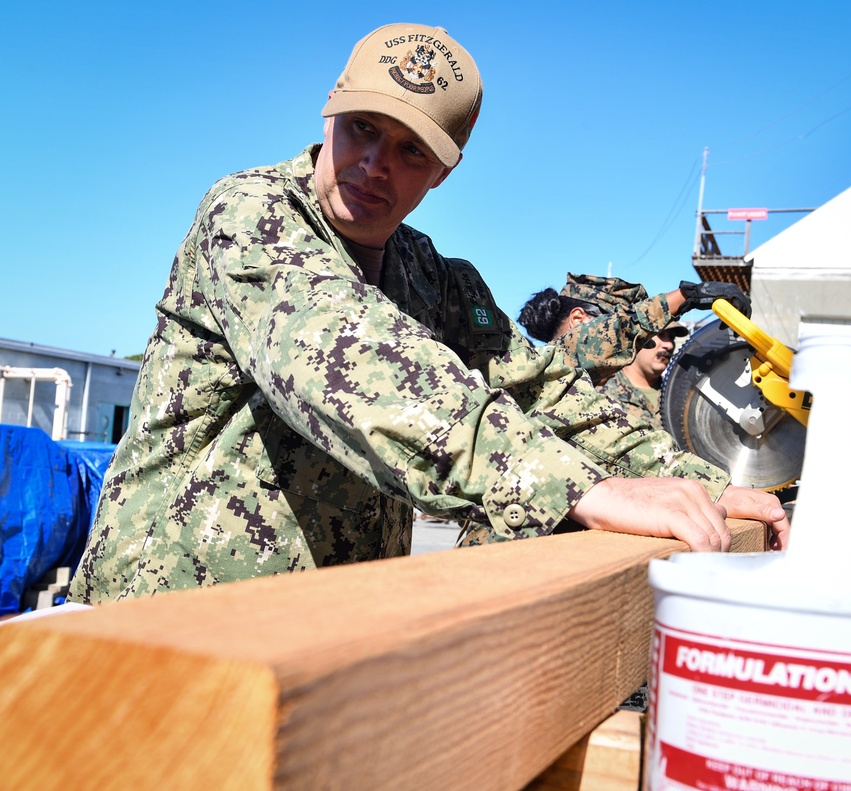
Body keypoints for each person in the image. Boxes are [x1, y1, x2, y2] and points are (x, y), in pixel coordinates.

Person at [68, 22, 788, 605]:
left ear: (444, 170)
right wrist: (579, 487)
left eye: (410, 150)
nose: (375, 164)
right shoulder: (252, 216)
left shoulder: (433, 277)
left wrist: (706, 483)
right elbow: (353, 362)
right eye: (362, 129)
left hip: (325, 637)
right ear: (329, 113)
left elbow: (548, 394)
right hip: (162, 625)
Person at [518, 273, 746, 385]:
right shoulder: (544, 373)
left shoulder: (587, 393)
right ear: (578, 319)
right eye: (609, 322)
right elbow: (622, 330)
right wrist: (688, 297)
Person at [598, 321, 689, 426]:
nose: (669, 345)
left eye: (672, 338)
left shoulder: (678, 396)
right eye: (660, 334)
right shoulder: (601, 391)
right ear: (638, 340)